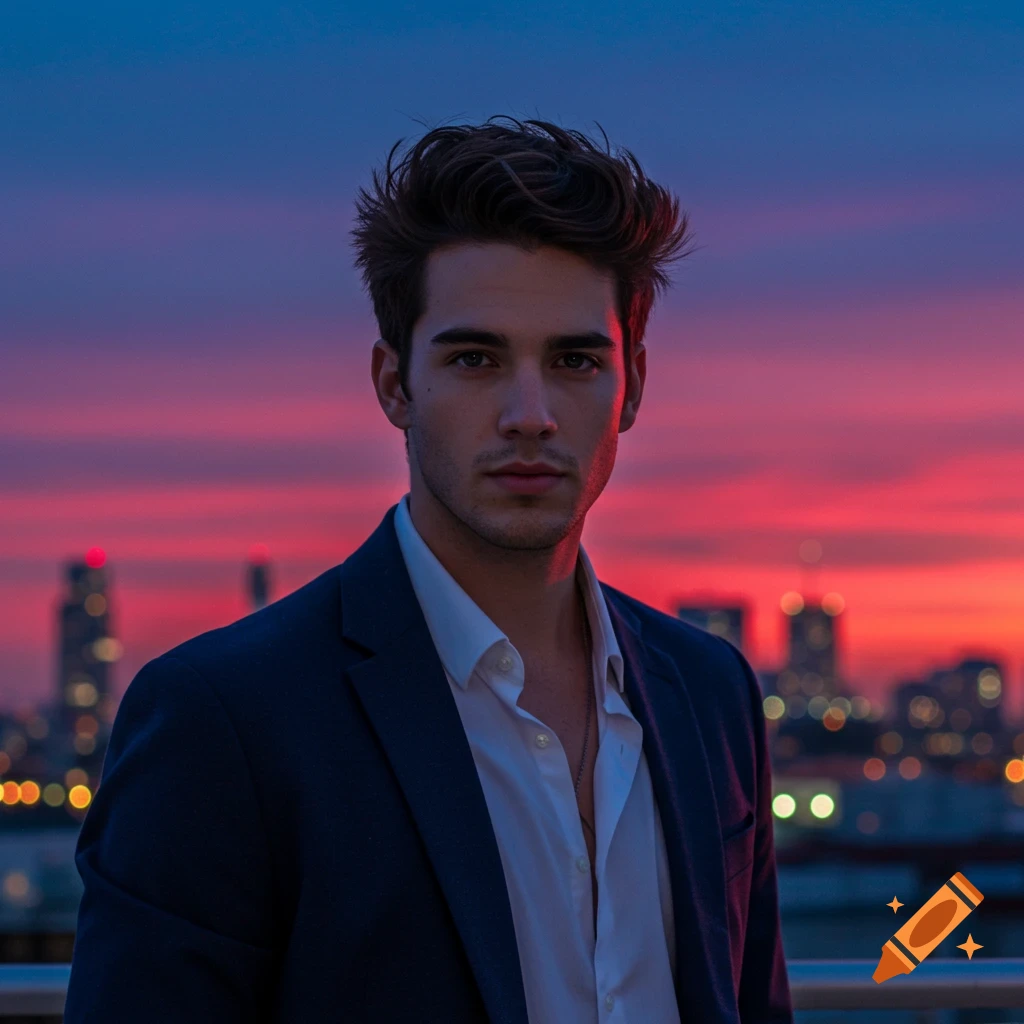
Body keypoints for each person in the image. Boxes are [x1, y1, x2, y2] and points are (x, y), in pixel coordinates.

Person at [64, 115, 794, 1023]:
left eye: (574, 360)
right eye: (476, 359)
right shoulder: (226, 719)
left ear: (632, 387)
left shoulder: (710, 691)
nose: (530, 414)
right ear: (394, 384)